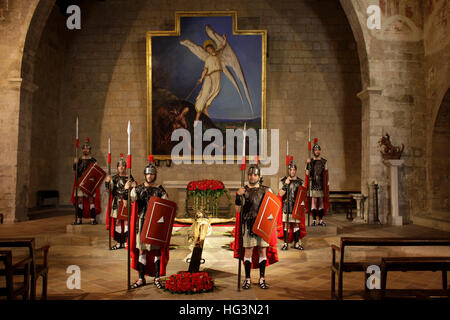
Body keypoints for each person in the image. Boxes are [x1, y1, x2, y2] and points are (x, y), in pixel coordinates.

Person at [124, 162, 169, 289]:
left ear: (155, 175)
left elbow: (166, 207)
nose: (149, 176)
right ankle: (141, 278)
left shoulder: (160, 190)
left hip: (155, 224)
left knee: (155, 250)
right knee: (142, 249)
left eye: (152, 174)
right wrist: (126, 190)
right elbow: (127, 204)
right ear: (145, 175)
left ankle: (157, 278)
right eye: (148, 174)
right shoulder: (137, 189)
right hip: (142, 222)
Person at [234, 165, 278, 290]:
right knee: (248, 251)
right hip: (248, 225)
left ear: (259, 176)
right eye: (250, 174)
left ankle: (262, 278)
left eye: (254, 175)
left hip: (262, 225)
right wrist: (238, 196)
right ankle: (247, 278)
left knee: (262, 251)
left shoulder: (266, 190)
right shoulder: (243, 191)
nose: (252, 177)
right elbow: (238, 210)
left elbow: (272, 209)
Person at [193, 35, 227, 126]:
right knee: (205, 93)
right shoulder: (208, 59)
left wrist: (224, 39)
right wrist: (201, 78)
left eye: (210, 48)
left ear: (213, 48)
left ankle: (205, 109)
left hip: (217, 76)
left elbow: (223, 45)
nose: (210, 50)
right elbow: (205, 69)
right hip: (209, 76)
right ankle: (197, 117)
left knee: (215, 91)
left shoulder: (218, 52)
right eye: (208, 50)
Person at [105, 154, 136, 250]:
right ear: (117, 167)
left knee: (126, 222)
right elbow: (109, 190)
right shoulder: (114, 178)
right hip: (116, 202)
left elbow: (134, 190)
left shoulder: (129, 177)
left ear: (125, 167)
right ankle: (119, 243)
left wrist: (130, 186)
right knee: (118, 222)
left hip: (126, 202)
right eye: (119, 166)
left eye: (123, 165)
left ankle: (127, 242)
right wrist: (107, 182)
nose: (121, 167)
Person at [71, 137, 101, 225]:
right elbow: (75, 172)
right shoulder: (79, 160)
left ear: (90, 150)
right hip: (80, 182)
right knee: (80, 200)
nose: (85, 150)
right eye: (84, 148)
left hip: (89, 183)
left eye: (87, 148)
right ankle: (79, 219)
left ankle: (92, 219)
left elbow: (96, 173)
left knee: (91, 200)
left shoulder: (93, 160)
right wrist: (75, 164)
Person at [278, 161, 306, 250]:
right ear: (288, 170)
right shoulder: (283, 181)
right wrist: (286, 184)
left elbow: (303, 195)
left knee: (296, 225)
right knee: (286, 225)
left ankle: (296, 243)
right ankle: (285, 243)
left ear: (296, 170)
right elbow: (281, 194)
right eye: (291, 170)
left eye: (294, 170)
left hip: (296, 207)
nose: (292, 171)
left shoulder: (300, 182)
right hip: (286, 206)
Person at [305, 144, 329, 226]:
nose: (317, 151)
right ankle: (314, 220)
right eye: (315, 150)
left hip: (321, 184)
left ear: (320, 151)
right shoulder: (310, 161)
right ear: (313, 152)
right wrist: (308, 164)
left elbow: (326, 174)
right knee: (314, 202)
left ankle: (321, 220)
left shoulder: (324, 161)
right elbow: (307, 173)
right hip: (313, 183)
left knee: (321, 202)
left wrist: (327, 185)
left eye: (318, 150)